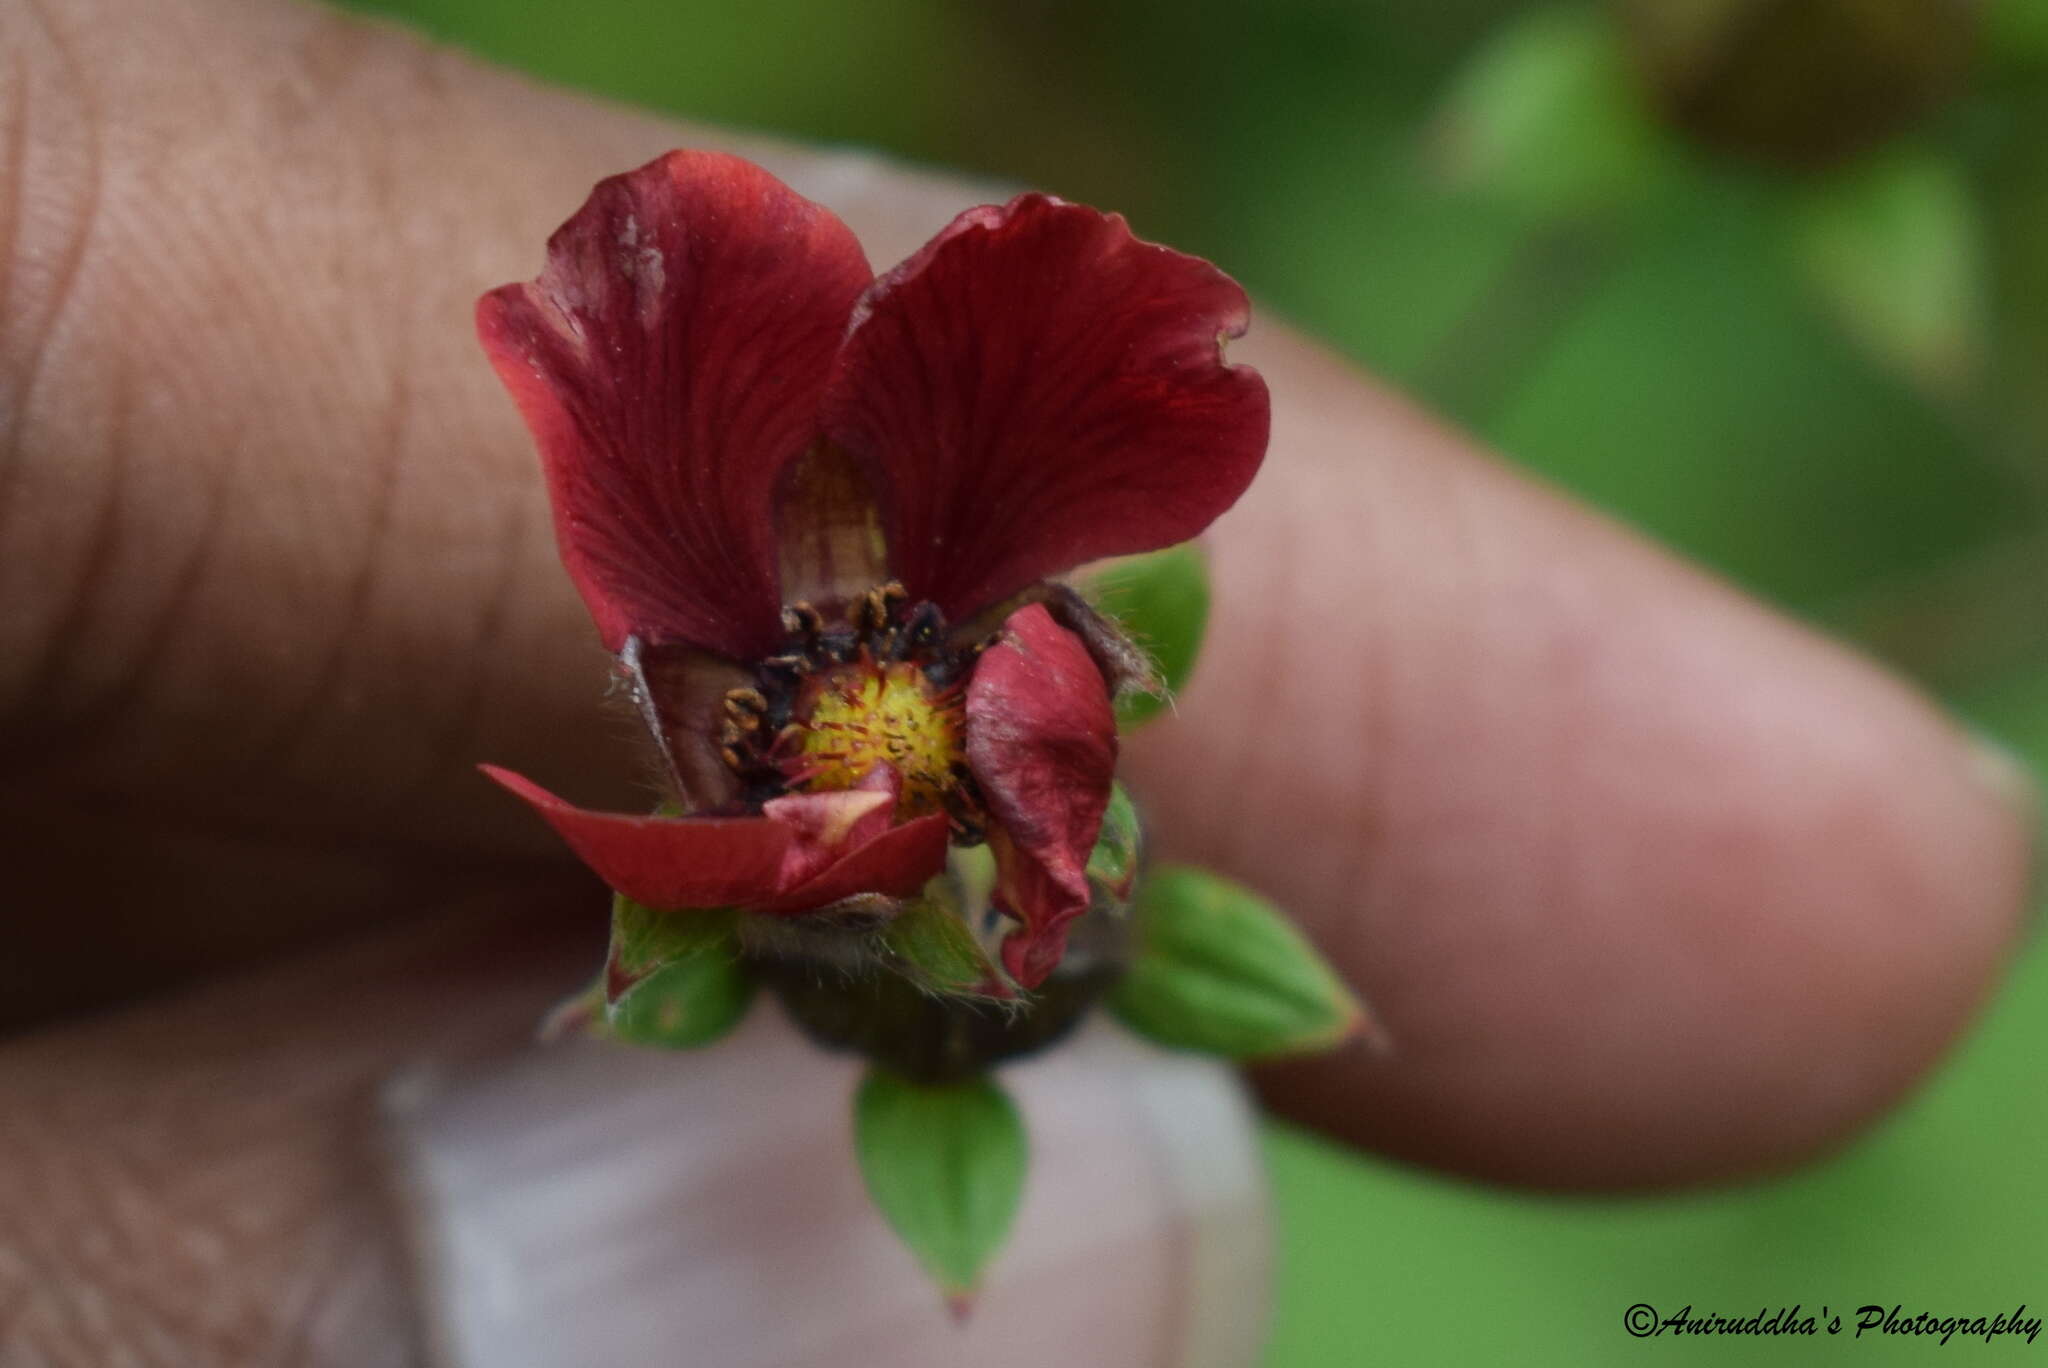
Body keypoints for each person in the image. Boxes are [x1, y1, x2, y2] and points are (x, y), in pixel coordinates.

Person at [0, 0, 2035, 1360]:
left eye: (914, 703)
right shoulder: (770, 686)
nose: (875, 729)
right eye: (855, 731)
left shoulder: (971, 689)